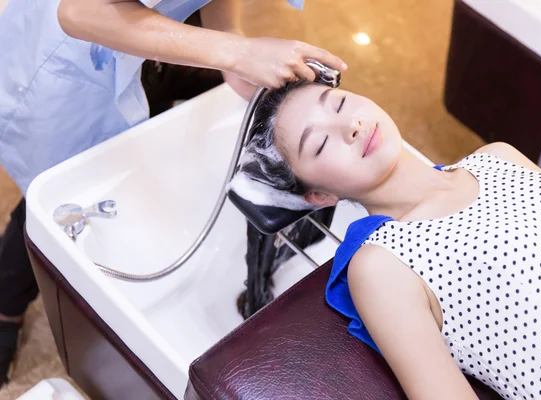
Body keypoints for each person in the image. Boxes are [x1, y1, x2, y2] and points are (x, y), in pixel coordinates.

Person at [0, 0, 347, 387]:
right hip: (75, 59)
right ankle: (5, 308)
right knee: (70, 198)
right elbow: (80, 11)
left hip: (164, 45)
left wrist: (228, 37)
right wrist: (237, 51)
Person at [237, 80, 541, 400]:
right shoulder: (383, 265)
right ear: (319, 196)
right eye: (319, 143)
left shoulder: (498, 156)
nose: (351, 125)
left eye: (341, 103)